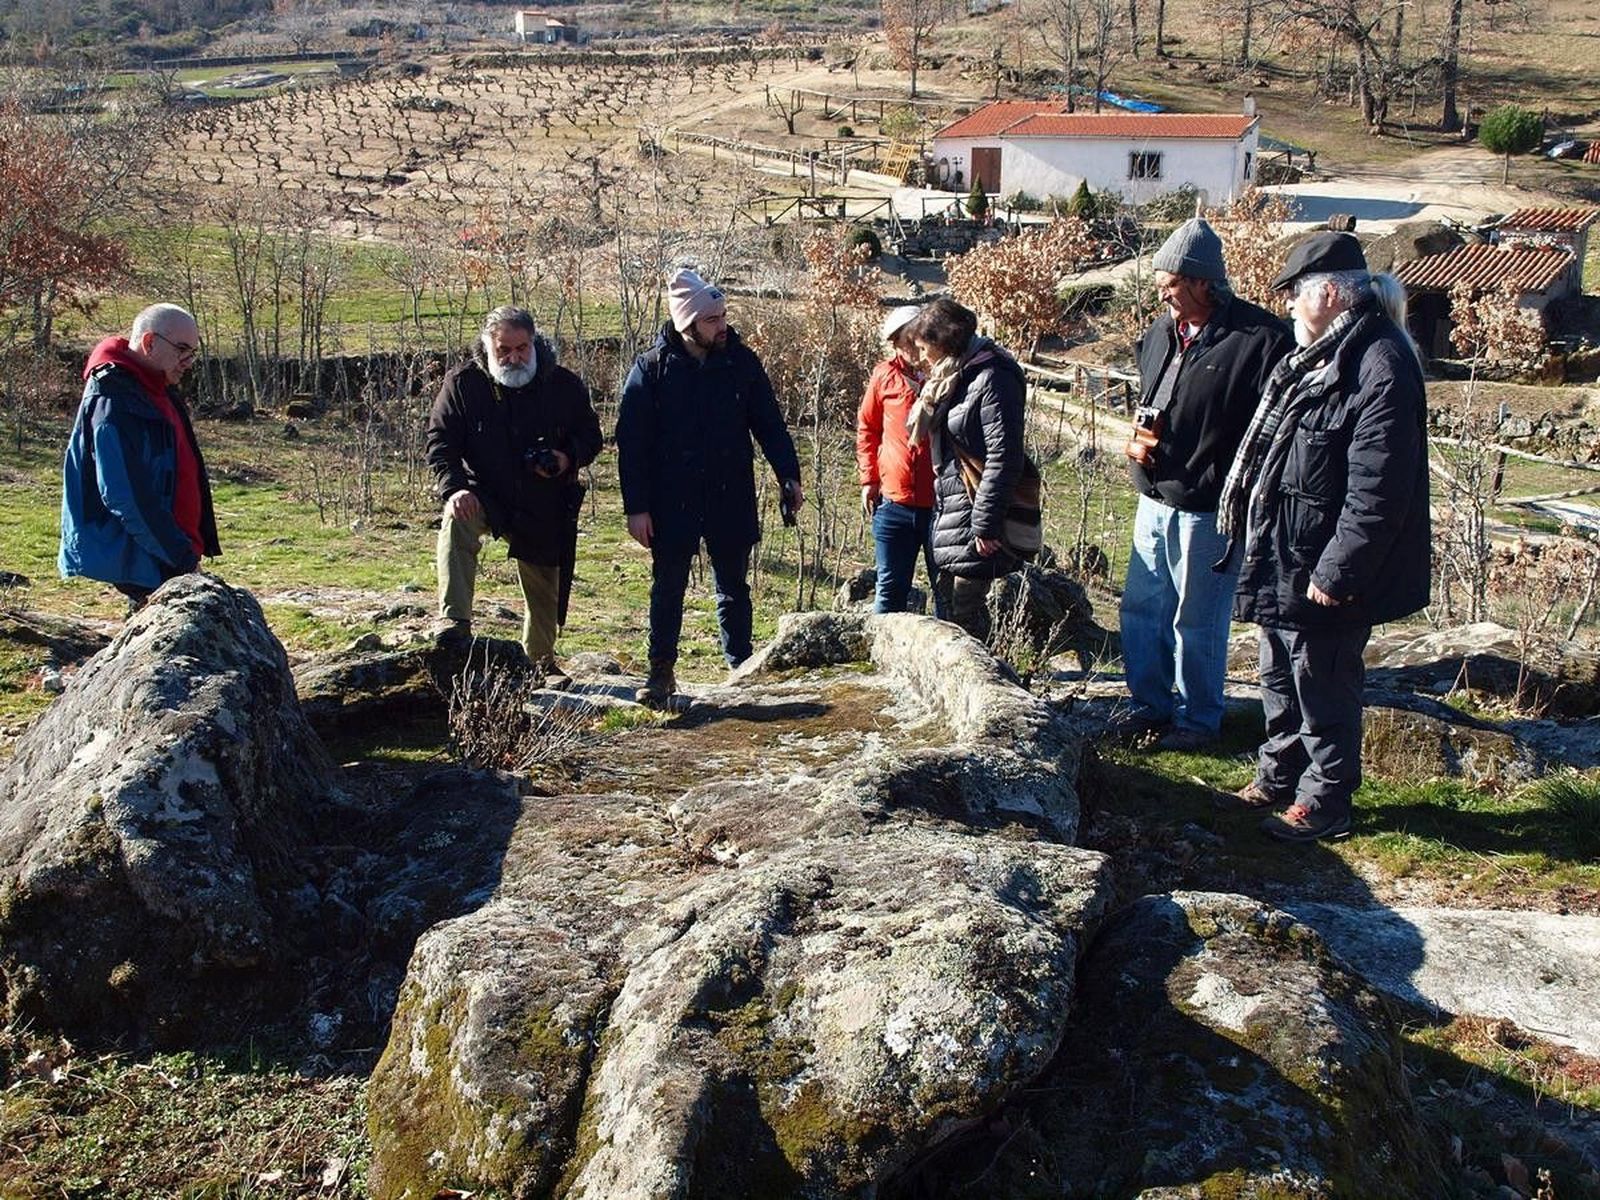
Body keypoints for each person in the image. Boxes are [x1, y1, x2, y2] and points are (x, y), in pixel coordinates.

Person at [1216, 231, 1430, 842]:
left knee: (1324, 684)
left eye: (1294, 293)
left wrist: (1338, 571)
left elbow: (1378, 488)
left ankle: (1326, 801)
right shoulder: (1318, 357)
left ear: (1330, 293)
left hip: (1324, 565)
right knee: (1279, 675)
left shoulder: (1379, 364)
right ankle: (1279, 776)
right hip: (1287, 551)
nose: (1286, 305)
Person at [1117, 217, 1292, 751]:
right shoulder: (1160, 333)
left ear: (1202, 282)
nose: (1163, 294)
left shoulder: (1261, 340)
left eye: (1171, 284)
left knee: (1196, 620)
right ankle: (1148, 706)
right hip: (1153, 494)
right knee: (1141, 609)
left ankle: (1198, 722)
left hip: (1211, 506)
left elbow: (1274, 432)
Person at [616, 269, 803, 706]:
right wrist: (636, 507)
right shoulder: (651, 368)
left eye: (722, 316)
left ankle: (741, 669)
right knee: (668, 588)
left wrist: (788, 475)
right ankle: (661, 672)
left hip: (729, 493)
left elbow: (769, 424)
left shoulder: (742, 362)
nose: (722, 326)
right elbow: (631, 443)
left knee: (734, 588)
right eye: (711, 319)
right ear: (687, 323)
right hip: (671, 499)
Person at [426, 305, 601, 684]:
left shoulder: (563, 385)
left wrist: (566, 457)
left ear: (534, 342)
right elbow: (441, 442)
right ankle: (454, 623)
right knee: (457, 519)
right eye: (503, 350)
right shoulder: (463, 384)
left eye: (522, 348)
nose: (514, 358)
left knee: (545, 582)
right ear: (487, 347)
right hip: (485, 492)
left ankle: (540, 664)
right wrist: (454, 488)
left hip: (544, 499)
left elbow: (591, 435)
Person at [59, 303, 219, 611]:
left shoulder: (154, 387)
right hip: (149, 560)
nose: (188, 362)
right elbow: (124, 495)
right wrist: (181, 559)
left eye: (193, 353)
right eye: (182, 349)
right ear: (149, 342)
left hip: (165, 556)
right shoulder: (113, 400)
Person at [906, 296, 1027, 641]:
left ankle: (988, 677)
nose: (922, 357)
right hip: (953, 507)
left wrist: (985, 525)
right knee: (949, 616)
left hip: (974, 513)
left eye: (924, 348)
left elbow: (1003, 456)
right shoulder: (956, 375)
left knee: (966, 619)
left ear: (945, 341)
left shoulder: (992, 377)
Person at [857, 304, 943, 616]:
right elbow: (867, 428)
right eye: (900, 342)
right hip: (894, 503)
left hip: (941, 505)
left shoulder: (947, 374)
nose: (907, 348)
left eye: (910, 340)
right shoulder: (884, 375)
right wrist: (869, 479)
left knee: (947, 592)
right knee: (889, 590)